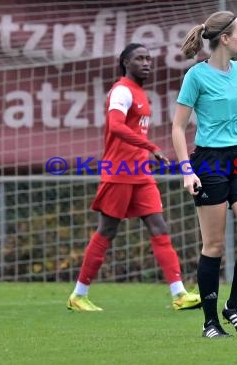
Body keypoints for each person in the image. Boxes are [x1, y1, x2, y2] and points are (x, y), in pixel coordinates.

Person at [67, 43, 201, 312]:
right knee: (107, 230)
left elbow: (132, 133)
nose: (146, 63)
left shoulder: (140, 93)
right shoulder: (121, 91)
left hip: (140, 174)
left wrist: (147, 152)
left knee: (159, 227)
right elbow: (115, 126)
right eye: (139, 58)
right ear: (125, 62)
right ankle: (78, 295)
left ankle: (179, 294)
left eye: (149, 59)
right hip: (119, 172)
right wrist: (151, 147)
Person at [171, 11, 237, 338]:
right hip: (209, 162)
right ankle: (210, 322)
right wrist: (187, 171)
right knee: (213, 246)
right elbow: (178, 127)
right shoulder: (196, 77)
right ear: (224, 38)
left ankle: (234, 306)